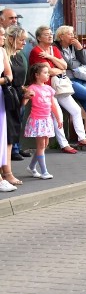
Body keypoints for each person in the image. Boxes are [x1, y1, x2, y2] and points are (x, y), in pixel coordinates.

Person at [30, 26, 86, 149]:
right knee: (57, 115)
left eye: (50, 33)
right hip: (46, 88)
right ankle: (64, 144)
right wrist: (58, 68)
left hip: (60, 86)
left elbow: (64, 66)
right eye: (46, 34)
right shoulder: (37, 51)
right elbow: (49, 71)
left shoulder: (53, 49)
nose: (50, 36)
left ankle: (82, 138)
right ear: (38, 38)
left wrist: (50, 58)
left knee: (76, 110)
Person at [23, 62, 62, 180]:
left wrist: (59, 118)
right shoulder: (32, 88)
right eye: (45, 73)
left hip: (47, 119)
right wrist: (25, 97)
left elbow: (53, 105)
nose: (48, 75)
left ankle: (31, 167)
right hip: (37, 120)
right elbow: (24, 103)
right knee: (41, 146)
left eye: (48, 73)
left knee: (45, 145)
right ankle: (44, 172)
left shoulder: (49, 89)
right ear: (37, 75)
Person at [3, 23, 31, 162]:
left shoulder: (20, 56)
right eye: (21, 40)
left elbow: (22, 76)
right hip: (8, 95)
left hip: (20, 94)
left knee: (18, 123)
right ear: (11, 39)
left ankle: (15, 148)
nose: (24, 43)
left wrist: (25, 90)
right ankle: (11, 152)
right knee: (9, 127)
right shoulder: (5, 55)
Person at [0, 27, 16, 192]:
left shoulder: (2, 52)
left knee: (2, 135)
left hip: (1, 96)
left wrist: (2, 80)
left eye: (4, 35)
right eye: (1, 35)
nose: (3, 38)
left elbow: (9, 75)